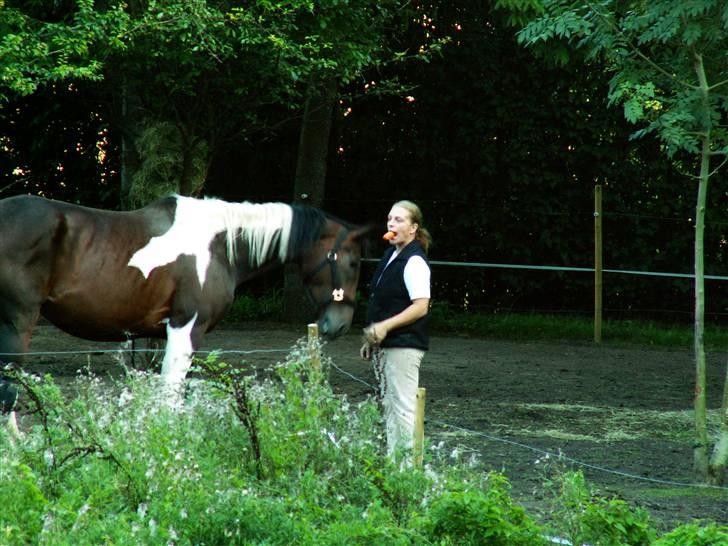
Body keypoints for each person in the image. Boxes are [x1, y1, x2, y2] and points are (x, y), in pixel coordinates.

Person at [361, 200, 432, 460]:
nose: (392, 224)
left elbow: (420, 306)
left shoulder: (414, 262)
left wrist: (385, 326)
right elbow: (384, 302)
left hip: (404, 344)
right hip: (388, 344)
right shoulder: (391, 256)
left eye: (399, 220)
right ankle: (396, 467)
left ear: (413, 228)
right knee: (391, 408)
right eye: (390, 219)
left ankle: (407, 472)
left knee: (403, 409)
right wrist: (373, 339)